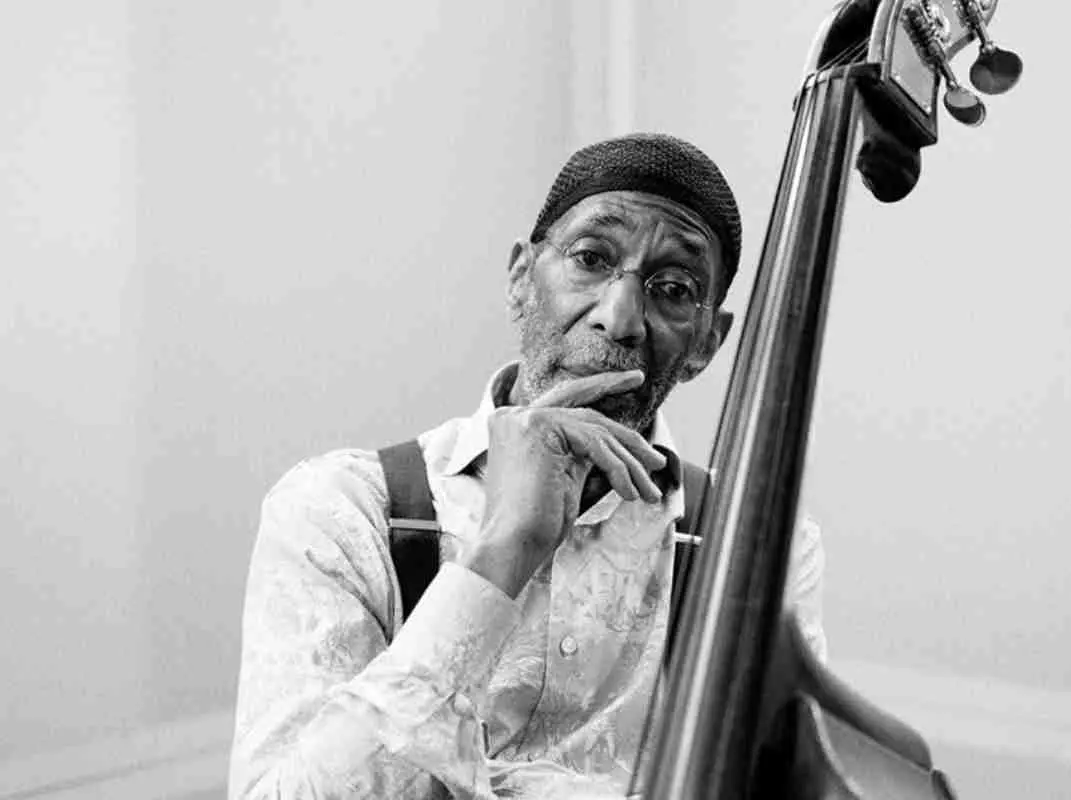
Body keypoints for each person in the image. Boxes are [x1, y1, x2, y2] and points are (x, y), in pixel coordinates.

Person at [229, 133, 827, 799]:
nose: (620, 317)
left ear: (706, 343)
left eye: (673, 288)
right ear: (521, 277)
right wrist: (504, 549)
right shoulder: (341, 511)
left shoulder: (759, 547)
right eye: (592, 259)